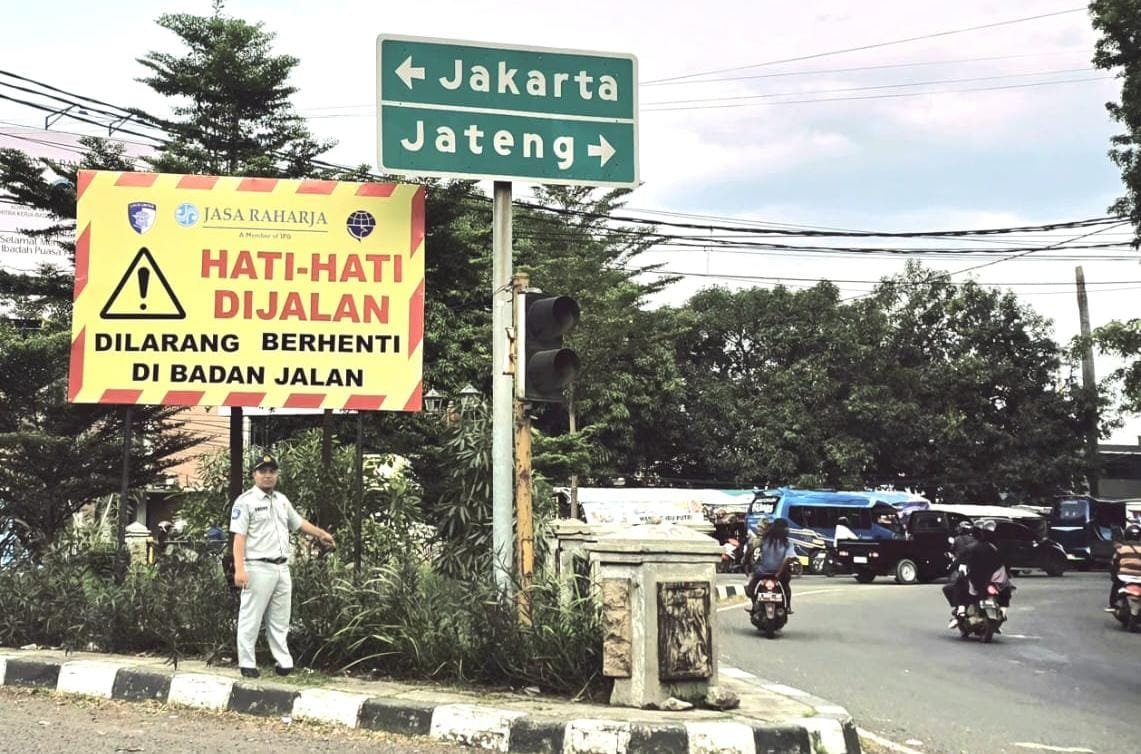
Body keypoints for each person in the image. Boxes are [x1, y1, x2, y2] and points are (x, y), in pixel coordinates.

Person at [230, 452, 335, 679]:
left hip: (281, 566)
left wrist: (320, 534)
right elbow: (239, 537)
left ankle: (283, 662)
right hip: (257, 566)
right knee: (251, 617)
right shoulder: (245, 501)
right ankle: (247, 663)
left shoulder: (281, 500)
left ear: (277, 474)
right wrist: (239, 569)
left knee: (280, 617)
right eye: (262, 471)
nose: (268, 476)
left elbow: (298, 523)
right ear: (253, 475)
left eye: (272, 472)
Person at [746, 517, 799, 613]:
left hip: (762, 572)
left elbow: (752, 552)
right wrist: (779, 572)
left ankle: (754, 605)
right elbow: (789, 558)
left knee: (752, 587)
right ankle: (788, 607)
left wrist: (748, 564)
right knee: (786, 586)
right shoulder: (787, 543)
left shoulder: (763, 541)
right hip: (780, 574)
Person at [1105, 523, 1141, 613]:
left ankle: (1112, 605)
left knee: (1116, 586)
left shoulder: (1121, 548)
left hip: (1124, 576)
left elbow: (1114, 563)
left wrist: (1114, 576)